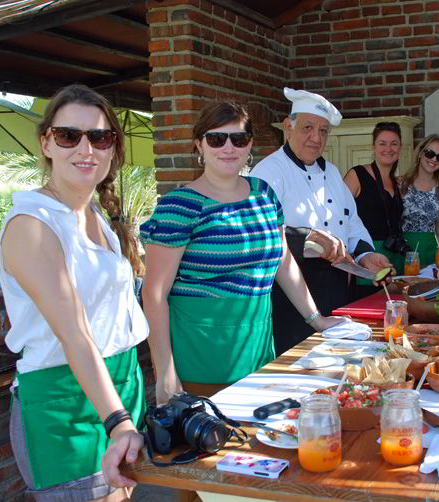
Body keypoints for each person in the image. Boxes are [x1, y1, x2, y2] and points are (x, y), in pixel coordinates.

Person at [0, 84, 147, 500]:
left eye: (99, 137)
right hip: (65, 399)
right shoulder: (32, 223)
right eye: (69, 135)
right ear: (47, 142)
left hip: (119, 385)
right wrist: (117, 419)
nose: (86, 149)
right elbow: (74, 334)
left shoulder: (95, 214)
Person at [140, 101, 345, 398]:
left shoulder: (264, 194)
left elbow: (283, 262)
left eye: (238, 139)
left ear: (249, 145)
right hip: (202, 356)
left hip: (259, 348)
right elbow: (154, 294)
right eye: (216, 139)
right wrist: (165, 372)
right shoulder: (178, 206)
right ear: (199, 145)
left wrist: (316, 319)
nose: (228, 147)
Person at [251, 88, 392, 355]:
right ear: (288, 127)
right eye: (307, 127)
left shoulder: (333, 171)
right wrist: (311, 238)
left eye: (323, 131)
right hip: (291, 294)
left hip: (338, 290)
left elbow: (351, 222)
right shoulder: (269, 171)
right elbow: (261, 234)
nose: (316, 138)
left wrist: (366, 255)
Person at [343, 122, 409, 295]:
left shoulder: (398, 183)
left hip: (395, 259)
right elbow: (339, 217)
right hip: (367, 257)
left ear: (400, 148)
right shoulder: (356, 175)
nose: (389, 148)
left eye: (394, 143)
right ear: (373, 147)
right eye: (382, 143)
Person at [399, 134, 439, 266]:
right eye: (430, 153)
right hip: (402, 250)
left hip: (429, 250)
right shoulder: (401, 184)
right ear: (420, 153)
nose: (434, 159)